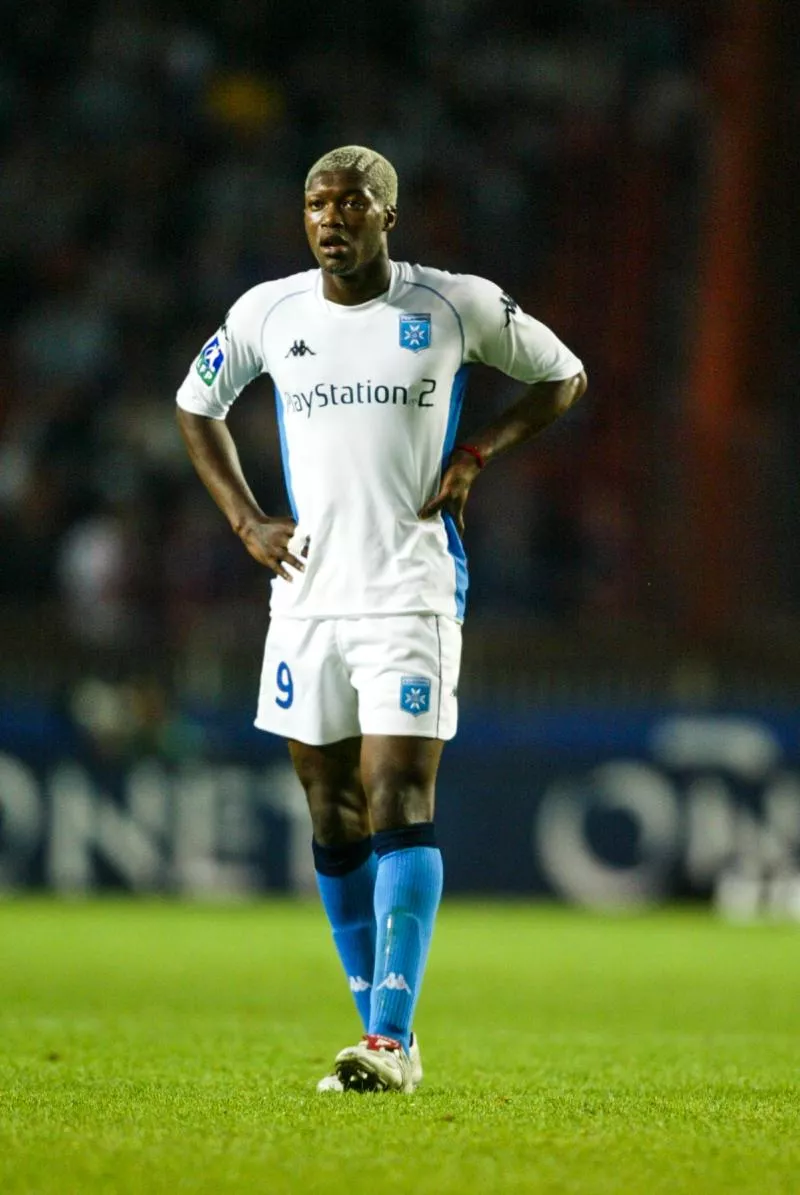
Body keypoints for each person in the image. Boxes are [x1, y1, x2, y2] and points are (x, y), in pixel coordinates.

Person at [176, 145, 587, 1094]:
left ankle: (392, 1041)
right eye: (317, 203)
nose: (332, 218)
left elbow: (563, 376)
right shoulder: (267, 313)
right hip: (307, 596)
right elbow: (197, 405)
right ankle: (376, 1030)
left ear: (387, 216)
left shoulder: (453, 305)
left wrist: (482, 446)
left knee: (398, 792)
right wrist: (244, 519)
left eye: (352, 203)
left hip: (412, 587)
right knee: (333, 811)